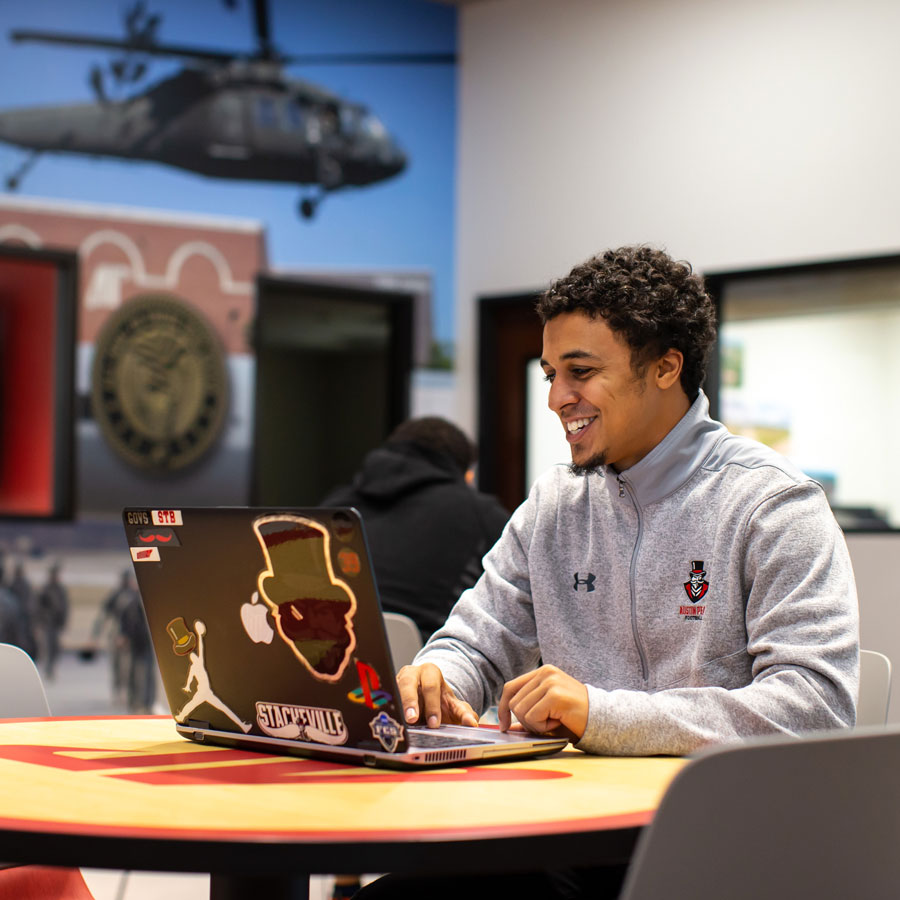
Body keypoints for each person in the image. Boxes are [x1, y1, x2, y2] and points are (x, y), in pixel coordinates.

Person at [356, 246, 859, 900]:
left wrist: (601, 714)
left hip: (722, 847)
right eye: (550, 375)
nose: (557, 398)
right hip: (573, 834)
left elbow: (816, 708)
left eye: (582, 372)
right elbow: (475, 644)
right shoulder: (555, 506)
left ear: (666, 367)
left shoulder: (772, 504)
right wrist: (437, 678)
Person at [322, 416, 510, 641]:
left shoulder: (335, 507)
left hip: (329, 648)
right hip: (426, 656)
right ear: (464, 472)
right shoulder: (479, 513)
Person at [34, 562, 70, 680]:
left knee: (56, 648)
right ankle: (48, 669)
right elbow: (39, 606)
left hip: (56, 624)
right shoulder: (45, 589)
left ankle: (52, 667)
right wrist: (41, 621)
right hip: (47, 623)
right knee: (48, 647)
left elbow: (65, 607)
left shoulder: (60, 590)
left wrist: (63, 622)